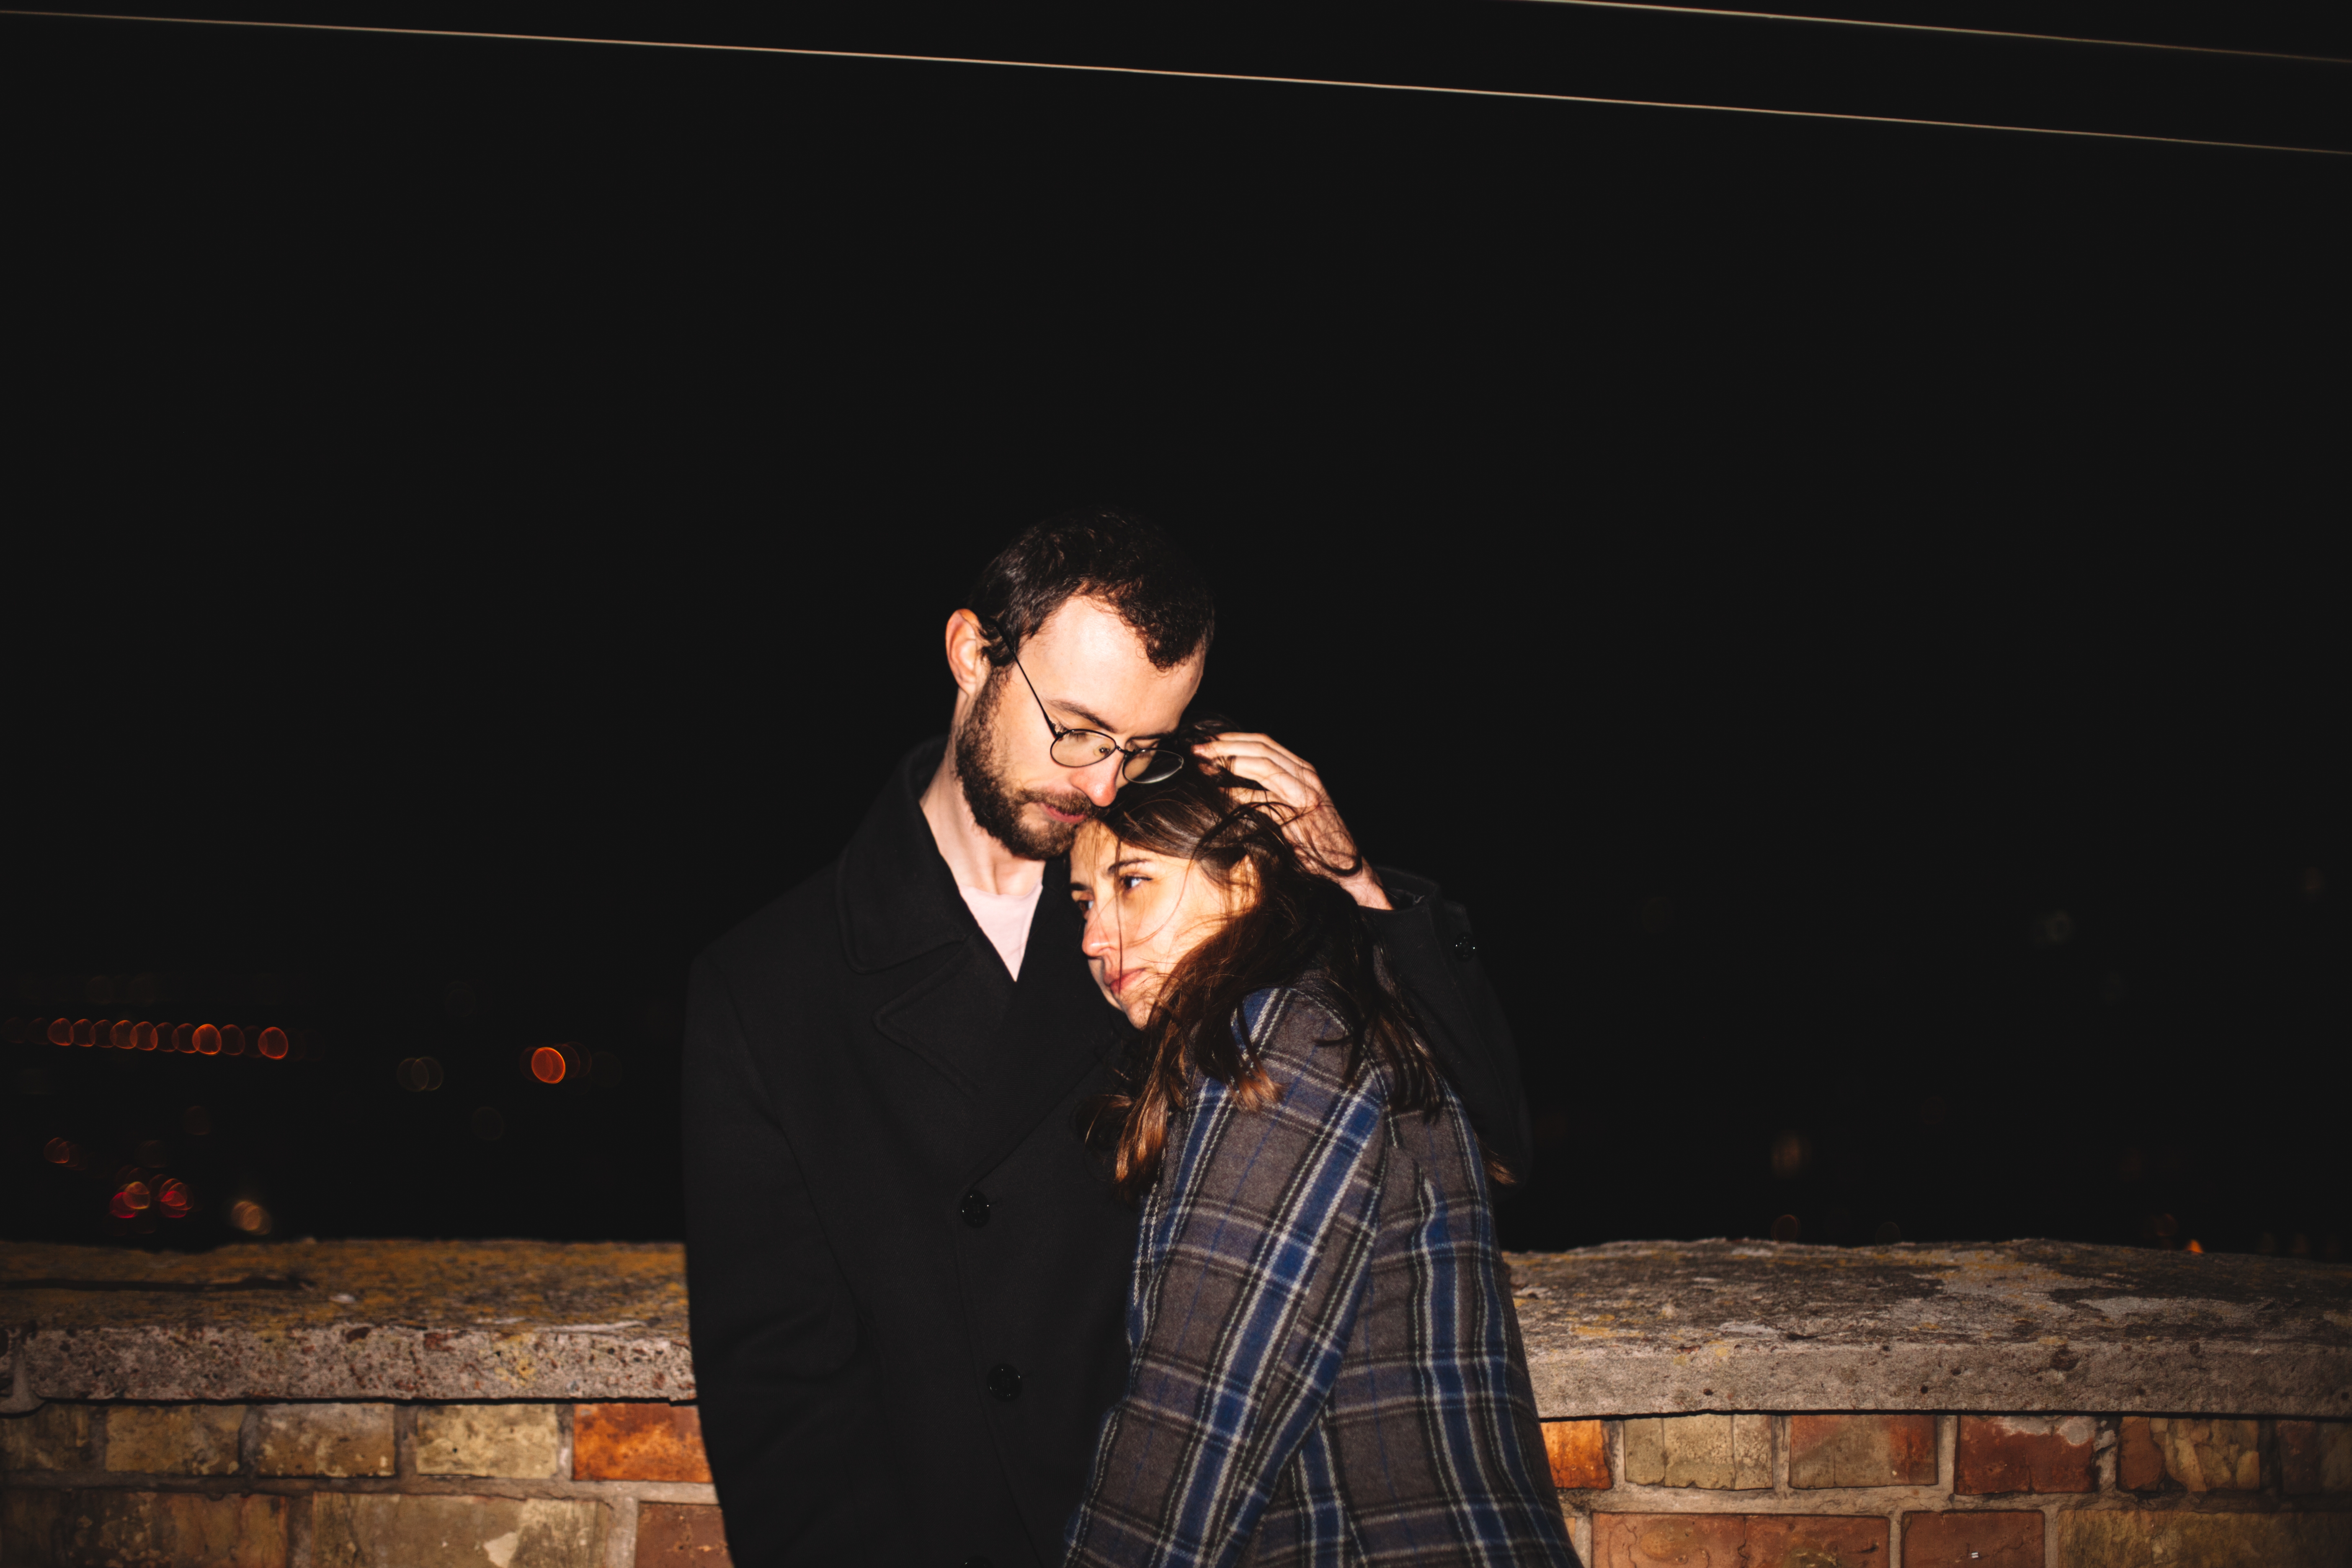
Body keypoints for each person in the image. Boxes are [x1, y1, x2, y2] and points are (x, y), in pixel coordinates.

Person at [682, 509, 1534, 1565]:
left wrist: (1354, 886)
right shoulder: (767, 986)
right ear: (972, 654)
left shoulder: (1178, 916)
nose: (1099, 785)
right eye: (1078, 728)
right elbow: (783, 1404)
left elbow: (1460, 1135)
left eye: (1139, 748)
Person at [1059, 756, 1575, 1568]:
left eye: (1131, 884)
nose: (1092, 937)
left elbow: (1197, 1417)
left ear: (1247, 882)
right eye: (1084, 902)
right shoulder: (1325, 1019)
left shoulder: (1282, 1043)